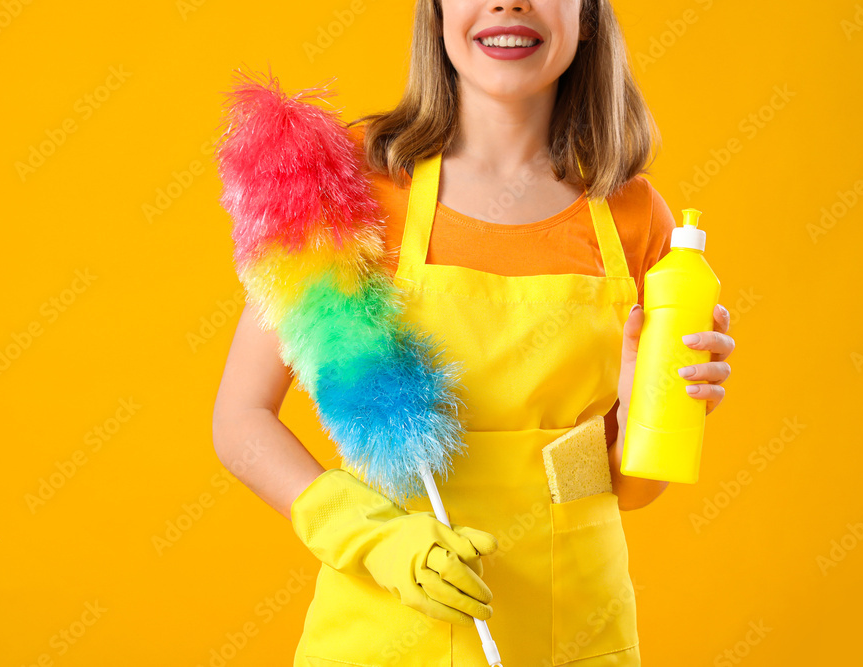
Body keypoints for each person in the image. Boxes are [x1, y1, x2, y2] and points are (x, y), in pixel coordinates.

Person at [212, 1, 734, 665]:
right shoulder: (352, 191)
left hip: (571, 634)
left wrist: (651, 402)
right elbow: (239, 418)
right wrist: (370, 537)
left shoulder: (632, 215)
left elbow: (630, 487)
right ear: (434, 14)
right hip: (385, 632)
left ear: (589, 15)